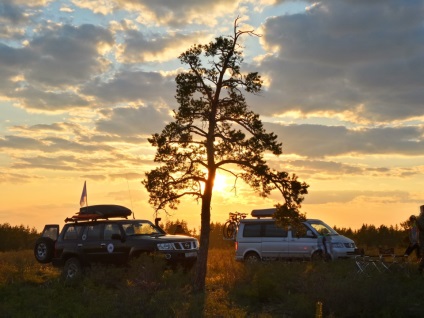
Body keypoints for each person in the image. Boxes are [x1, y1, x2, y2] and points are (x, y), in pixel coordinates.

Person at [416, 206, 424, 274]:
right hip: (422, 239)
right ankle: (420, 268)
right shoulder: (419, 219)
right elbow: (422, 227)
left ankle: (420, 268)